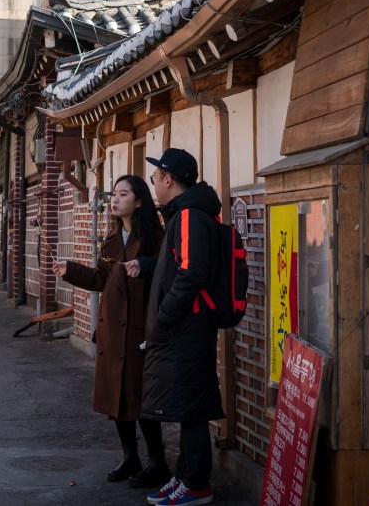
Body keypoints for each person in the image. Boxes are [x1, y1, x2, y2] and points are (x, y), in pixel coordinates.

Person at [54, 175, 169, 488]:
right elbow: (102, 281)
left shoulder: (157, 238)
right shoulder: (111, 238)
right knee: (117, 399)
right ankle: (130, 457)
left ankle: (158, 462)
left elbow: (167, 277)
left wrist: (144, 267)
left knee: (139, 398)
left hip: (139, 331)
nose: (115, 200)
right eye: (113, 194)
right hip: (111, 332)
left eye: (123, 194)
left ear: (140, 201)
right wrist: (71, 270)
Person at [128, 148, 224, 506]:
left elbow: (192, 274)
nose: (153, 183)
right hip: (187, 325)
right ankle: (185, 478)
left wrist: (164, 318)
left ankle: (197, 485)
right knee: (185, 407)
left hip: (186, 327)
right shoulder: (187, 214)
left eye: (156, 177)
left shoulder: (189, 217)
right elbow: (180, 266)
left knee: (191, 409)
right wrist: (151, 266)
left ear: (168, 180)